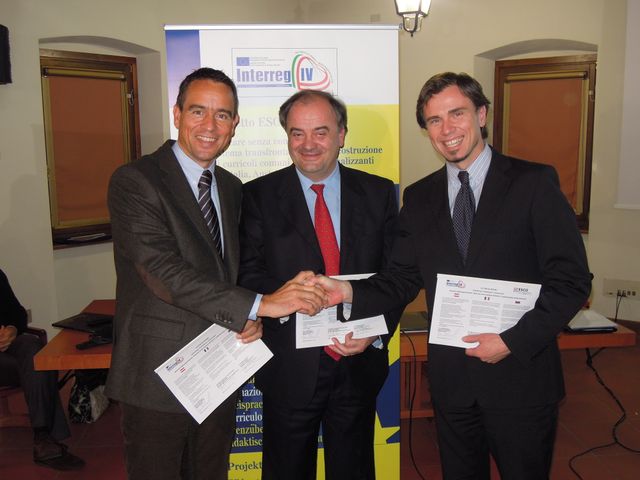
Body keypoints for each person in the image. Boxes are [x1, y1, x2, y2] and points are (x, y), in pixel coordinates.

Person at [316, 72, 592, 480]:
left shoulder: (533, 183)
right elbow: (401, 278)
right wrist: (348, 292)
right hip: (452, 382)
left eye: (456, 114)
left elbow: (571, 281)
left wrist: (512, 341)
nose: (447, 129)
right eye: (434, 120)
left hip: (521, 377)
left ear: (481, 114)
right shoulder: (419, 197)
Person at [104, 68, 326, 480]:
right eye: (198, 111)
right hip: (157, 373)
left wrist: (250, 315)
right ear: (177, 114)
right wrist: (259, 304)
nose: (210, 125)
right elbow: (163, 271)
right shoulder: (136, 181)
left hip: (218, 370)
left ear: (235, 124)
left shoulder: (231, 186)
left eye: (222, 114)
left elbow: (229, 270)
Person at [238, 90, 401, 480]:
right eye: (297, 133)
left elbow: (396, 275)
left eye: (320, 132)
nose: (308, 144)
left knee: (354, 470)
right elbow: (245, 273)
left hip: (358, 360)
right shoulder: (256, 195)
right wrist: (284, 297)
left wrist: (376, 332)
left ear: (342, 135)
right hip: (289, 366)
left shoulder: (379, 193)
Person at [0, 268, 85, 471]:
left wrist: (12, 329)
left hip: (5, 349)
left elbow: (17, 313)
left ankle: (42, 436)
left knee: (34, 349)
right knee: (35, 367)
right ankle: (46, 438)